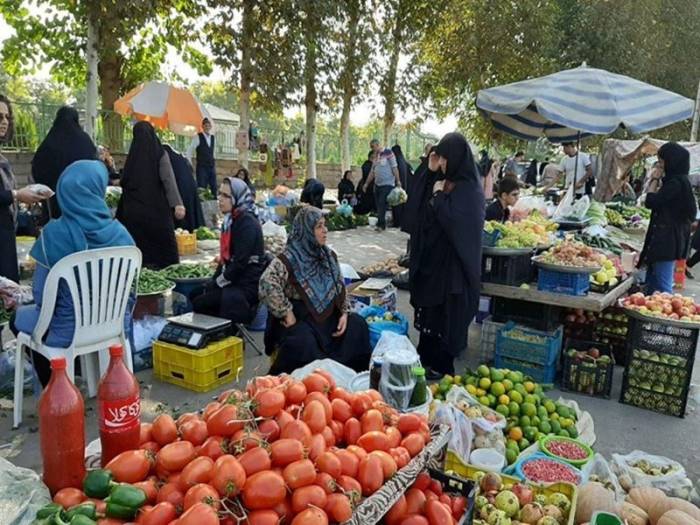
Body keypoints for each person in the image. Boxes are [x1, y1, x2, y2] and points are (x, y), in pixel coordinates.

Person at [13, 160, 135, 386]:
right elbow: (131, 291)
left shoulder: (53, 234)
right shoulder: (121, 234)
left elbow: (40, 295)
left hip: (65, 330)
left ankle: (56, 387)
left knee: (17, 319)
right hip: (112, 326)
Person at [259, 207, 371, 374]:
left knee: (358, 326)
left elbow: (340, 285)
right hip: (302, 319)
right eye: (319, 226)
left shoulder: (327, 256)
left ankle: (348, 377)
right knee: (303, 344)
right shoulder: (289, 258)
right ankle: (312, 386)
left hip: (329, 319)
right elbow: (266, 283)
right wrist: (286, 312)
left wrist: (344, 313)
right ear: (306, 231)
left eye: (324, 225)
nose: (325, 230)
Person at [409, 133, 484, 378]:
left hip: (453, 269)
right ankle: (426, 360)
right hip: (434, 264)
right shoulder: (442, 180)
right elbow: (416, 206)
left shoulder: (469, 190)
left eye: (443, 159)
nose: (440, 163)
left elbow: (455, 224)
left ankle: (442, 367)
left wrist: (440, 197)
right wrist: (429, 171)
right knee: (430, 313)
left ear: (455, 158)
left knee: (446, 316)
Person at [190, 178, 264, 324]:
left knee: (200, 303)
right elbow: (226, 260)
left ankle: (226, 334)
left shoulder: (247, 224)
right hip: (234, 280)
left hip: (246, 286)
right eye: (220, 194)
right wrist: (213, 282)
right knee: (194, 293)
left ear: (237, 198)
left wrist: (217, 283)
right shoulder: (231, 221)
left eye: (226, 196)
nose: (220, 199)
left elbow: (239, 264)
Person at [117, 121, 185, 269]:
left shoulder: (133, 156)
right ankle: (168, 276)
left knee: (140, 248)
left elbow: (125, 180)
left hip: (134, 212)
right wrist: (177, 204)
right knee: (165, 252)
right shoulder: (159, 153)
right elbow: (168, 179)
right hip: (157, 211)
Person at [0, 94, 49, 283]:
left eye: (7, 117)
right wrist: (16, 194)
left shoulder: (3, 157)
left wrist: (24, 193)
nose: (4, 122)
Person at [639, 142, 697, 294]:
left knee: (663, 288)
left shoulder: (675, 183)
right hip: (668, 241)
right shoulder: (681, 181)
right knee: (653, 285)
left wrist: (654, 179)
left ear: (671, 161)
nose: (660, 166)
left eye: (662, 161)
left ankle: (664, 316)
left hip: (666, 243)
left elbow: (651, 201)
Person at [31, 106, 96, 222]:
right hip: (82, 200)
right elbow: (94, 169)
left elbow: (37, 169)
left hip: (55, 200)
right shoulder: (86, 141)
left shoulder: (50, 141)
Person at [164, 144, 204, 232]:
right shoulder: (179, 157)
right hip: (189, 187)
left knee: (181, 224)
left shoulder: (164, 155)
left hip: (180, 189)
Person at [364, 139, 401, 231]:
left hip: (387, 184)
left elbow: (394, 167)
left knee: (382, 203)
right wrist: (366, 183)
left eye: (373, 147)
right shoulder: (375, 156)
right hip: (377, 185)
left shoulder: (388, 152)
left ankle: (381, 225)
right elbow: (372, 171)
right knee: (378, 205)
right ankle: (381, 223)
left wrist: (398, 180)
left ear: (377, 144)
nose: (372, 149)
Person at [186, 118, 217, 197]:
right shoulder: (198, 137)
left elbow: (213, 152)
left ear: (210, 127)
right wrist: (189, 163)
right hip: (202, 167)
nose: (207, 127)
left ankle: (215, 205)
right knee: (202, 188)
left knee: (214, 186)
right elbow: (189, 150)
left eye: (208, 125)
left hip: (211, 166)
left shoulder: (212, 138)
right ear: (202, 126)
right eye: (205, 125)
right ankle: (201, 206)